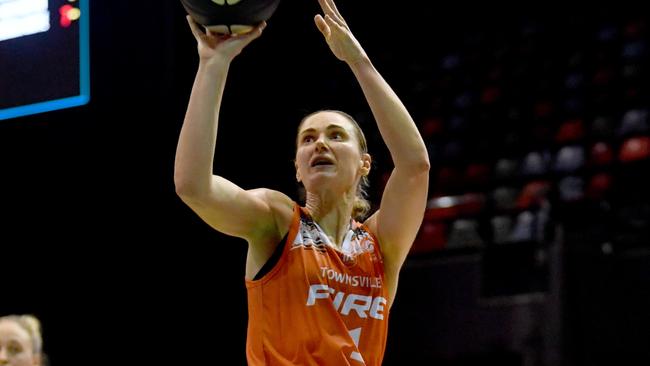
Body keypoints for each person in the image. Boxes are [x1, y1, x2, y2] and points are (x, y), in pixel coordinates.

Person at [174, 0, 430, 364]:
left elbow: (415, 166)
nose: (320, 143)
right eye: (308, 139)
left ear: (364, 164)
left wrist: (359, 61)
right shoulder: (277, 221)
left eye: (336, 136)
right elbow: (193, 186)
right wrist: (212, 65)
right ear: (298, 167)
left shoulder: (381, 245)